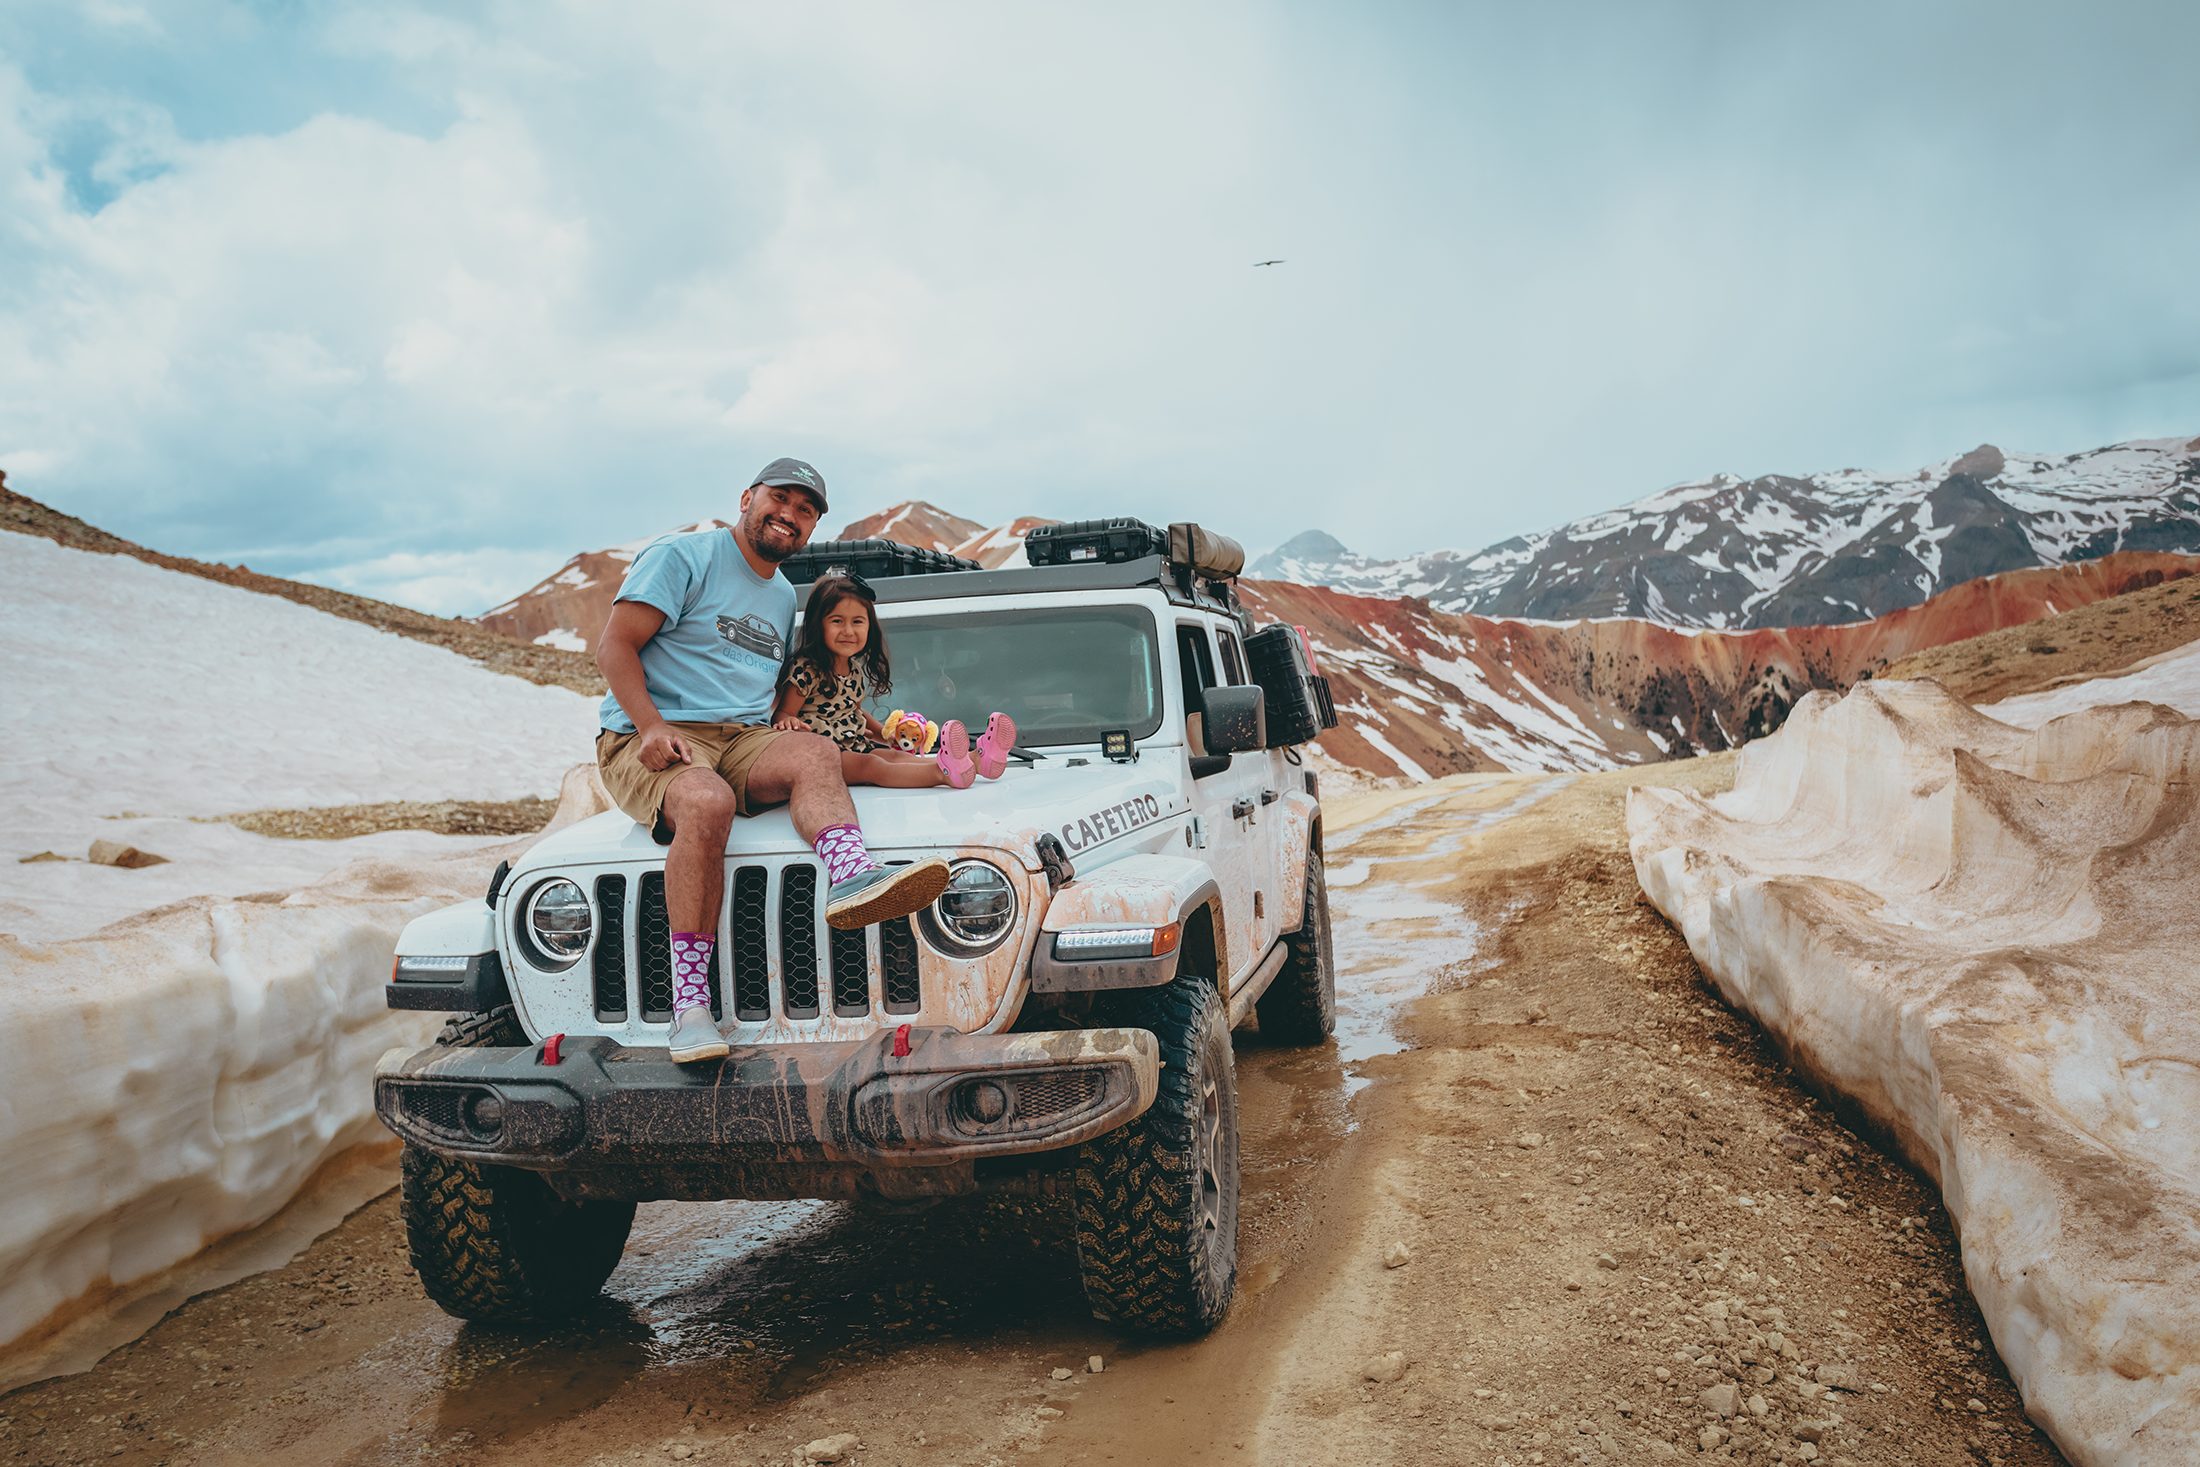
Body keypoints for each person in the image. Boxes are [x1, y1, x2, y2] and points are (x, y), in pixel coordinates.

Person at [594, 457, 949, 1064]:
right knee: (708, 802)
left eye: (805, 509)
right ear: (746, 498)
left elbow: (785, 693)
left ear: (811, 529)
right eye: (779, 499)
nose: (790, 515)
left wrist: (860, 736)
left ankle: (852, 877)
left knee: (816, 751)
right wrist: (650, 725)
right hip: (654, 732)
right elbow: (614, 645)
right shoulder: (685, 558)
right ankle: (691, 1007)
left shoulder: (783, 592)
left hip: (743, 737)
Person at [771, 574, 1018, 790]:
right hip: (824, 754)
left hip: (855, 744)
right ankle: (941, 774)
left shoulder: (854, 670)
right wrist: (788, 720)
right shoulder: (806, 668)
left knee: (895, 756)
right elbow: (782, 713)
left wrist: (882, 732)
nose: (848, 630)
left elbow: (854, 711)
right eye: (837, 621)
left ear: (870, 627)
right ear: (818, 624)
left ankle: (976, 760)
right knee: (873, 765)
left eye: (857, 621)